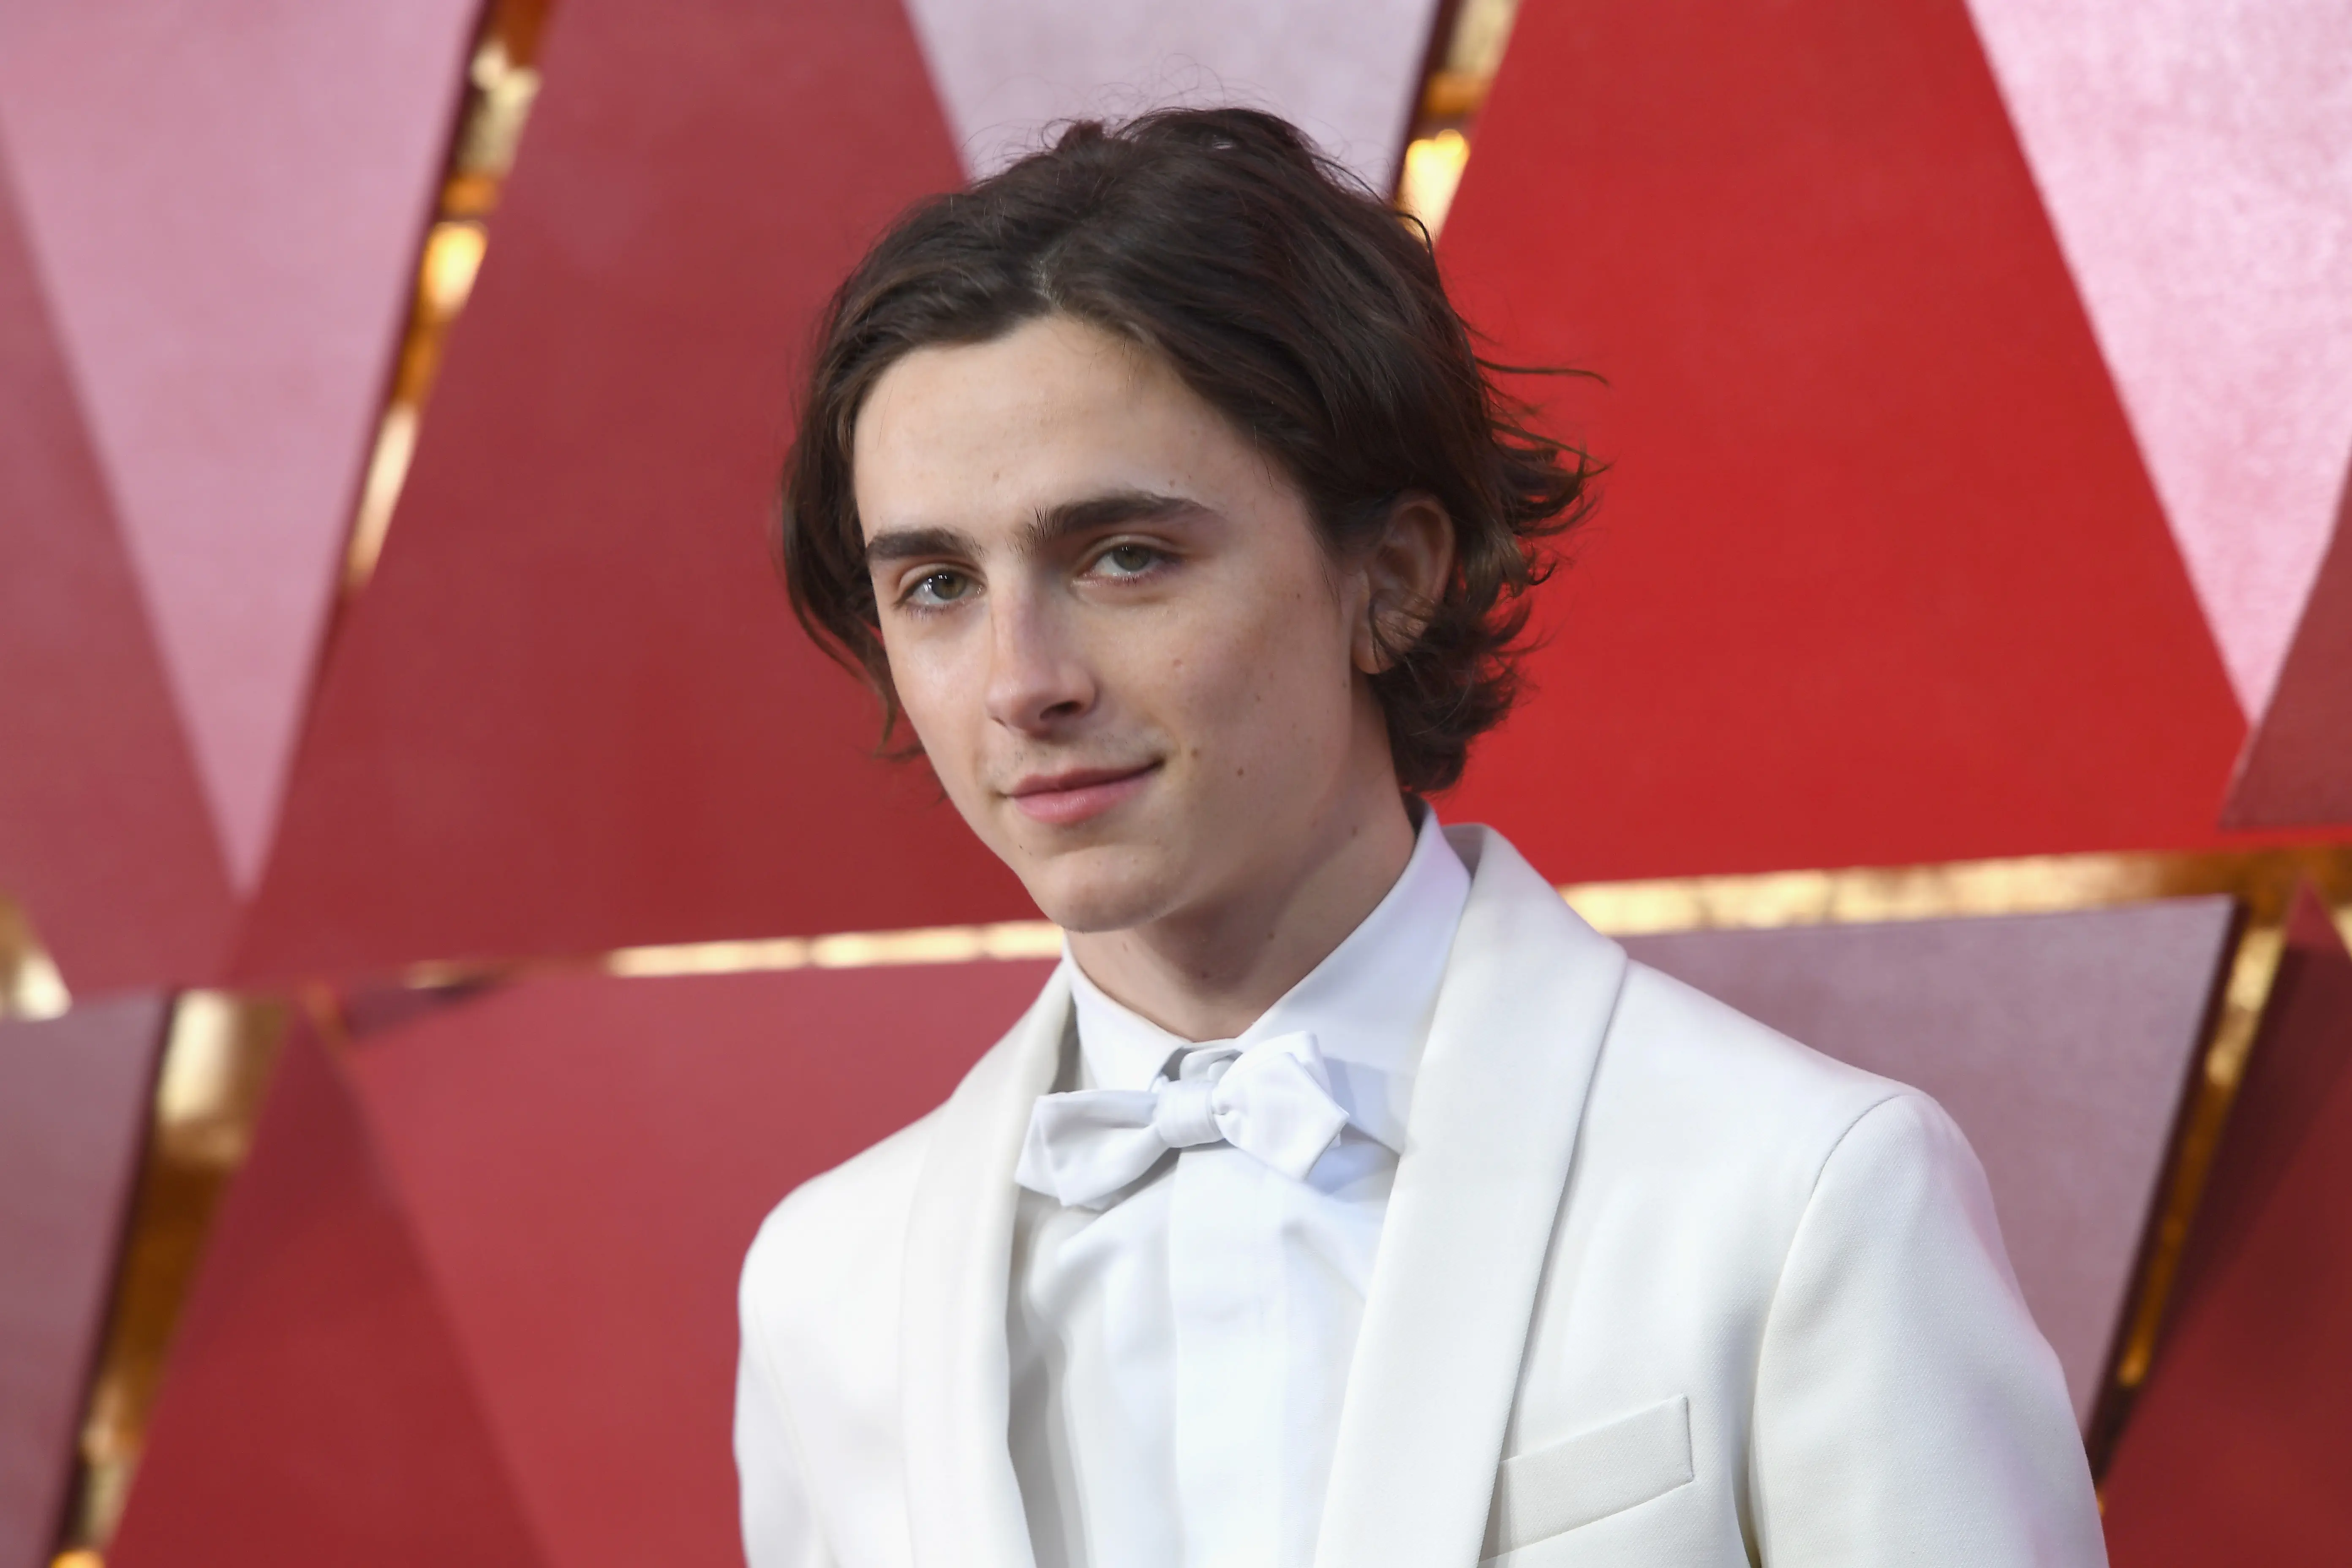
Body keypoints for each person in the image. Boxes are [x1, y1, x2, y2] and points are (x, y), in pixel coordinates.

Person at [735, 108, 2105, 1568]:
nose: (1023, 681)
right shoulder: (829, 1286)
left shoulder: (1806, 1190)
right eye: (939, 584)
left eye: (1124, 556)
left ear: (1392, 576)